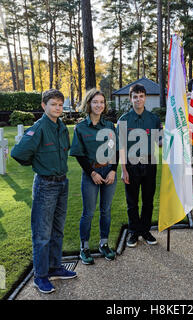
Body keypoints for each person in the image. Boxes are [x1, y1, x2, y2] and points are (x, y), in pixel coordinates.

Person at [11, 89, 77, 294]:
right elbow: (18, 153)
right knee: (42, 233)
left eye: (60, 104)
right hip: (45, 185)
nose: (57, 108)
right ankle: (40, 276)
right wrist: (38, 163)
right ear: (43, 105)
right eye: (53, 104)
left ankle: (55, 267)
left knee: (57, 229)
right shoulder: (39, 128)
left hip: (62, 183)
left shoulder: (61, 128)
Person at [70, 89, 118, 264]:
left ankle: (104, 244)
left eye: (102, 102)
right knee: (88, 212)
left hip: (109, 172)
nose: (99, 105)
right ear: (88, 103)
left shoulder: (109, 126)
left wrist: (113, 170)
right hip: (91, 173)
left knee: (106, 211)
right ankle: (84, 248)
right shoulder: (81, 127)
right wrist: (92, 173)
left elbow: (116, 150)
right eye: (95, 102)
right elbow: (79, 154)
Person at [117, 83, 162, 248]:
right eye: (135, 96)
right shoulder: (123, 120)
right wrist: (123, 170)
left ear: (145, 98)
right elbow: (121, 147)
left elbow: (161, 141)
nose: (138, 99)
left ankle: (145, 230)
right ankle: (134, 231)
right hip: (131, 164)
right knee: (132, 201)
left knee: (148, 199)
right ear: (130, 99)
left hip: (149, 163)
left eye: (141, 96)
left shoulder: (154, 119)